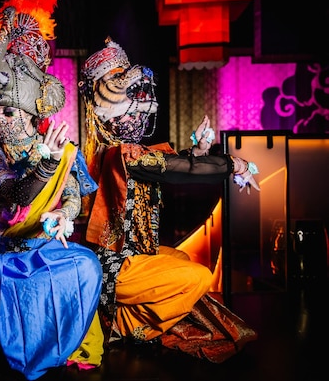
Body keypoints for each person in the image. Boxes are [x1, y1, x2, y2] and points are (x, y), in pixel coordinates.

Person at [0, 0, 103, 380]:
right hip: (3, 251)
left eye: (9, 111)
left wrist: (66, 214)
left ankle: (45, 335)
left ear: (33, 112)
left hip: (43, 251)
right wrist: (44, 164)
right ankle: (17, 332)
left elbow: (73, 194)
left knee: (87, 267)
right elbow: (14, 192)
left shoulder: (61, 148)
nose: (0, 119)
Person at [76, 36, 259, 363]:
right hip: (117, 267)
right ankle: (132, 328)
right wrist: (232, 163)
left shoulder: (133, 152)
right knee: (201, 276)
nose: (135, 118)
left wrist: (200, 152)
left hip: (132, 257)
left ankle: (128, 319)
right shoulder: (123, 152)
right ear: (112, 115)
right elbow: (177, 169)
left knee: (182, 260)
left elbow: (174, 163)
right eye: (127, 112)